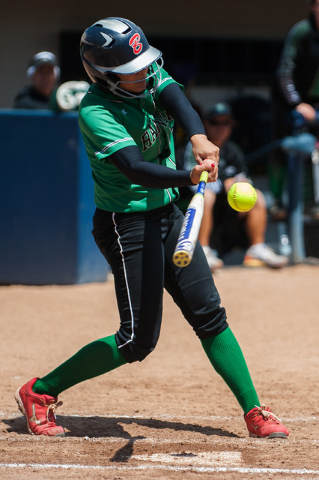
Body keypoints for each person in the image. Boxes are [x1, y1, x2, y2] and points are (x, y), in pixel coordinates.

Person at [14, 17, 289, 440]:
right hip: (127, 225)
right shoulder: (95, 110)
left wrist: (197, 136)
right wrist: (189, 177)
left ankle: (255, 410)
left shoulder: (143, 71)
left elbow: (175, 95)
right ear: (106, 75)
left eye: (145, 65)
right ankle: (39, 391)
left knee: (210, 315)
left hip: (169, 214)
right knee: (136, 341)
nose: (144, 73)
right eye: (133, 71)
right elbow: (135, 169)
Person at [184, 102, 289, 271]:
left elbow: (243, 179)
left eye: (225, 123)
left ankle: (256, 248)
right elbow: (192, 182)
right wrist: (224, 184)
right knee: (207, 196)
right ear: (205, 124)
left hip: (228, 207)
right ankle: (203, 250)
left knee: (257, 195)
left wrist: (238, 185)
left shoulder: (233, 150)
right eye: (215, 123)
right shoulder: (196, 147)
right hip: (196, 204)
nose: (221, 128)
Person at [270, 0, 319, 220]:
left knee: (313, 149)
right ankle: (278, 202)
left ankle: (312, 202)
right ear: (313, 7)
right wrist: (297, 102)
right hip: (290, 101)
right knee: (285, 148)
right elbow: (285, 72)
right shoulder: (302, 32)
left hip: (315, 102)